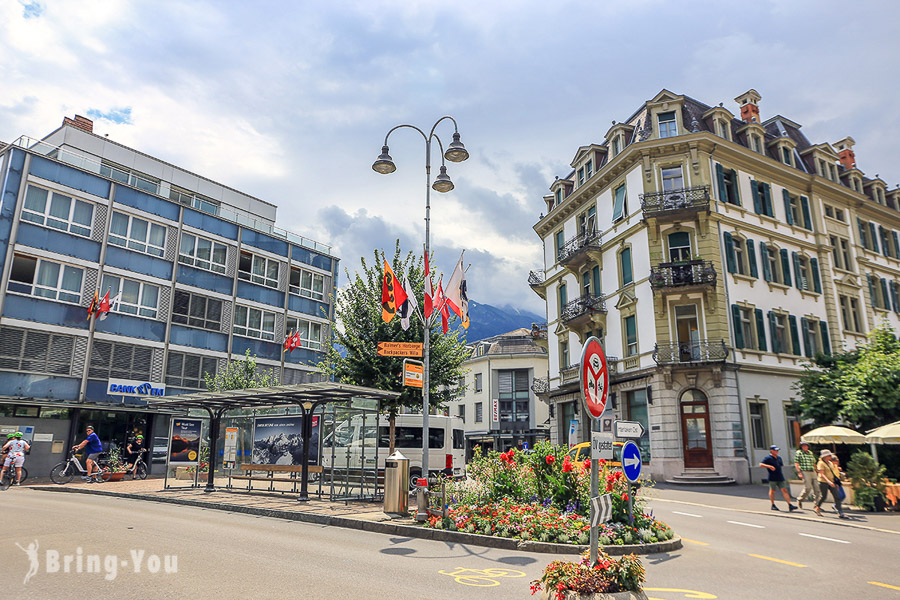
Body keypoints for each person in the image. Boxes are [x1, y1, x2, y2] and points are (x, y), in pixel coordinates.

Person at [759, 445, 798, 511]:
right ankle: (773, 505)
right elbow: (761, 464)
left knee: (784, 490)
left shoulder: (779, 458)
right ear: (771, 450)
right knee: (772, 491)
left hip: (780, 476)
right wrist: (769, 466)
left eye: (777, 450)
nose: (777, 451)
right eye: (775, 450)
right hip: (772, 477)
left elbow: (780, 466)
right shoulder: (768, 458)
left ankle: (790, 505)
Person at [815, 449, 846, 519]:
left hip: (832, 482)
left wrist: (835, 483)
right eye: (829, 455)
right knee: (823, 496)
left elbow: (833, 473)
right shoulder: (821, 463)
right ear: (825, 456)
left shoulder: (830, 463)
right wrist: (828, 481)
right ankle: (818, 507)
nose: (830, 456)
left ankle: (840, 512)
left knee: (836, 496)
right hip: (823, 482)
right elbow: (822, 474)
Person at [793, 441, 820, 509]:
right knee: (808, 487)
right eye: (803, 446)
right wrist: (799, 472)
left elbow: (813, 462)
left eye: (806, 445)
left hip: (812, 471)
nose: (805, 447)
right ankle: (800, 499)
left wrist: (817, 470)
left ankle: (816, 505)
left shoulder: (810, 453)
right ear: (801, 447)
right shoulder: (799, 453)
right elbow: (796, 463)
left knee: (817, 488)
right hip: (805, 471)